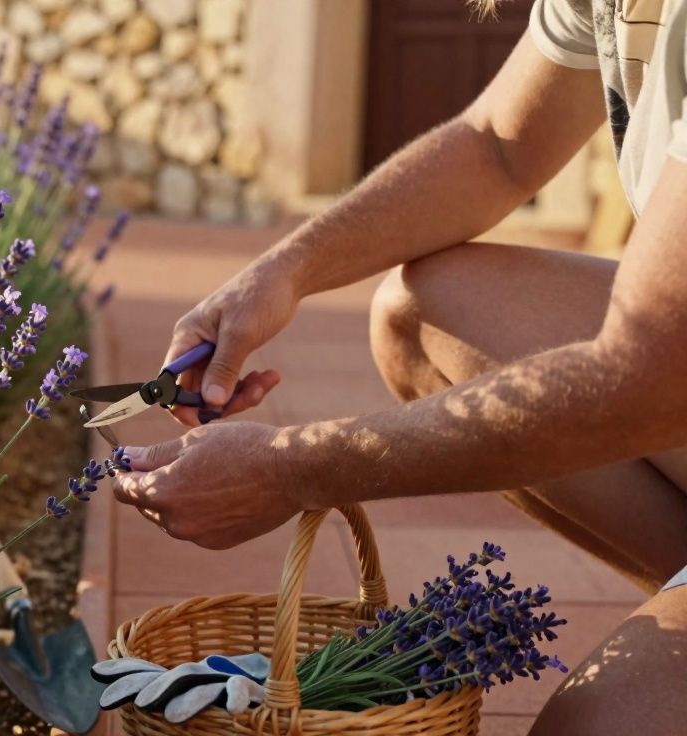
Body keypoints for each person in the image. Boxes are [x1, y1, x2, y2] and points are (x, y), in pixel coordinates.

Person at [111, 1, 687, 732]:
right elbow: (496, 146)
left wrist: (293, 467)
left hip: (661, 375)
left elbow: (644, 380)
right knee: (422, 316)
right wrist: (282, 272)